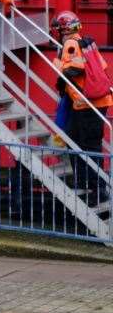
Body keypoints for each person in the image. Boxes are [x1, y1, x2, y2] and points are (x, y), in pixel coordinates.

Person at [51, 11, 112, 205]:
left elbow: (74, 69)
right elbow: (101, 67)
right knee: (73, 139)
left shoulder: (70, 44)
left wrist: (61, 77)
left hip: (89, 105)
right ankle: (85, 181)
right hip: (90, 103)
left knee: (90, 147)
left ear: (63, 29)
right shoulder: (86, 42)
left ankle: (98, 189)